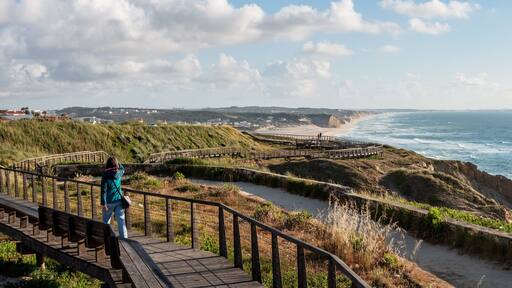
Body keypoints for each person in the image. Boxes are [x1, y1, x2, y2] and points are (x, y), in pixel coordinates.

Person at [101, 156, 128, 239]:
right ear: (116, 165)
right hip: (119, 202)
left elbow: (103, 191)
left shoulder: (105, 176)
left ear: (107, 165)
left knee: (106, 222)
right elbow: (122, 167)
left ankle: (107, 239)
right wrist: (117, 162)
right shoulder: (119, 173)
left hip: (108, 203)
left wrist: (103, 203)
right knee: (121, 221)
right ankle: (124, 240)